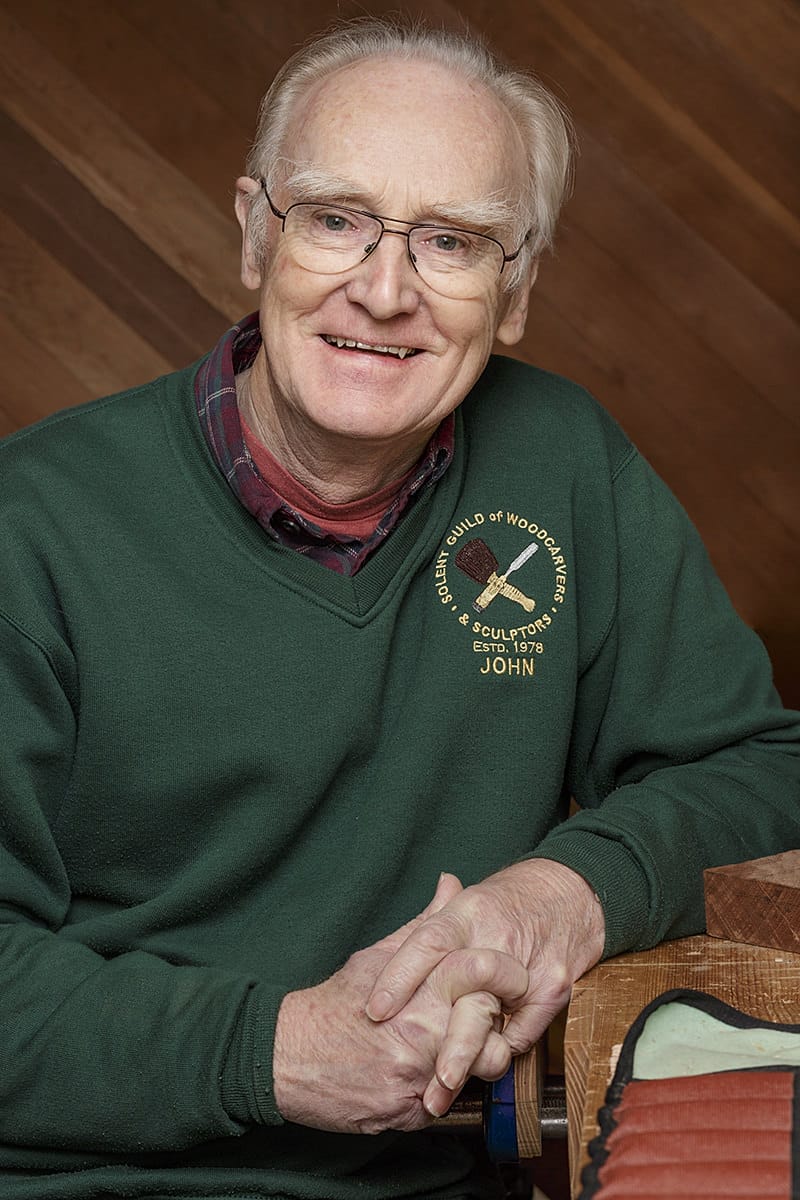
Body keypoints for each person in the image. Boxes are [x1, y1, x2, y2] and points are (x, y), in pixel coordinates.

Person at [1, 16, 797, 1200]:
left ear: (512, 292)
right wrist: (275, 1055)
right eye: (333, 220)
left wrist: (558, 898)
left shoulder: (561, 464)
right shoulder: (34, 525)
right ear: (252, 237)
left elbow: (759, 769)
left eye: (452, 241)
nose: (383, 291)